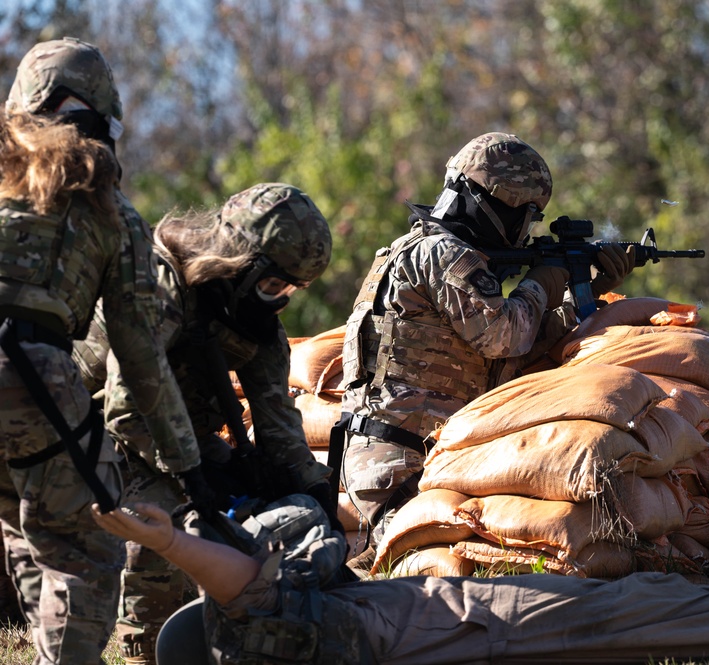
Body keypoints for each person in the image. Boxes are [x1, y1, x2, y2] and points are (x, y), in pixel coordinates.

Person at [90, 501, 709, 665]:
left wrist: (169, 545)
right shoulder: (266, 630)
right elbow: (238, 583)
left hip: (503, 627)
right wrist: (167, 545)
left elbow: (235, 584)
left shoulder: (265, 638)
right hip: (500, 624)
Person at [72, 182, 343, 662]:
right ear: (240, 262)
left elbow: (277, 417)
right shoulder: (157, 288)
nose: (280, 300)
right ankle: (145, 649)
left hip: (180, 441)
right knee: (162, 513)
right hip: (87, 429)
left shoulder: (255, 324)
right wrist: (196, 471)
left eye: (291, 290)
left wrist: (312, 487)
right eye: (274, 285)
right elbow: (126, 407)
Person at [338, 131, 636, 552]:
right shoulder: (439, 253)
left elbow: (518, 354)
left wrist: (589, 291)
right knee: (426, 584)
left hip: (415, 457)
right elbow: (504, 336)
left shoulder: (428, 252)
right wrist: (542, 283)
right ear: (503, 206)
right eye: (528, 218)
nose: (527, 231)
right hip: (400, 463)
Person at [0, 38, 198, 665]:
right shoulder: (111, 212)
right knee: (84, 546)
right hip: (34, 374)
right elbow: (140, 354)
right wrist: (187, 463)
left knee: (18, 526)